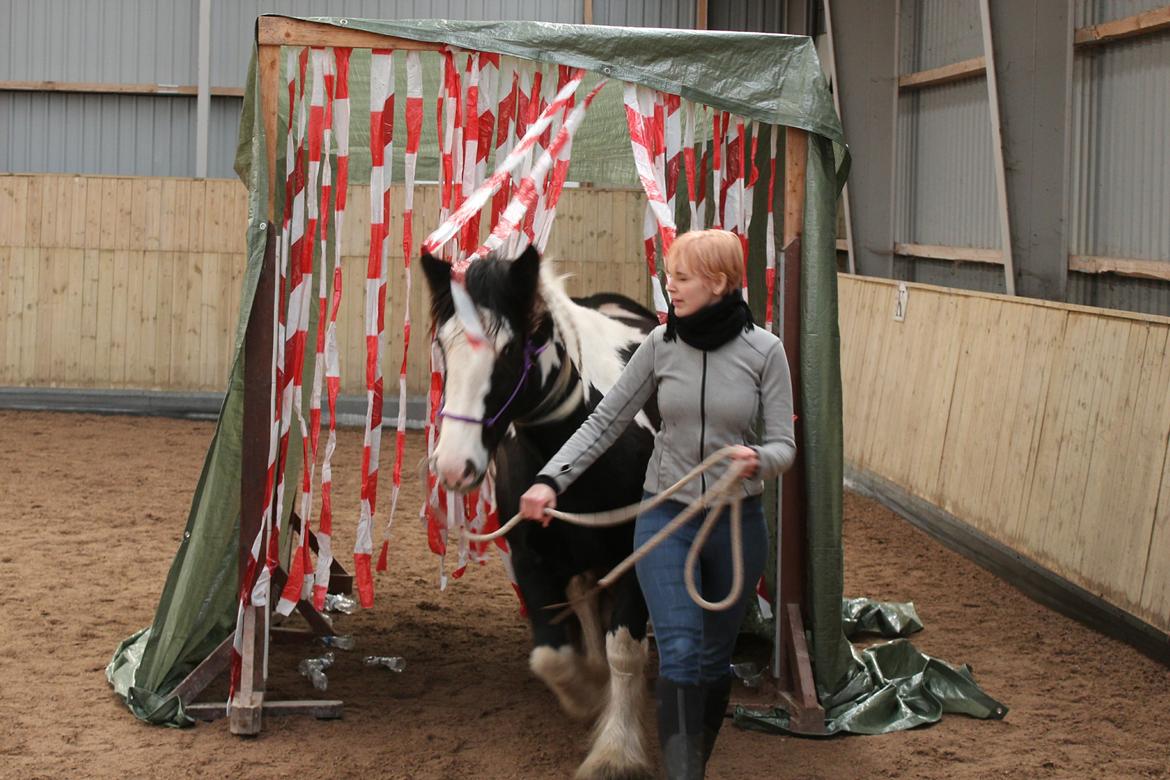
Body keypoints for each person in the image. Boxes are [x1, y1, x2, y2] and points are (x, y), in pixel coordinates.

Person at [519, 229, 796, 779]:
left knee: (713, 662)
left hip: (736, 521)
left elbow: (784, 446)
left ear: (718, 282)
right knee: (680, 652)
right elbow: (604, 422)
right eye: (671, 275)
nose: (670, 287)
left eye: (682, 277)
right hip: (666, 517)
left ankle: (689, 766)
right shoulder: (659, 346)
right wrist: (551, 480)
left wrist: (757, 459)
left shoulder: (766, 351)